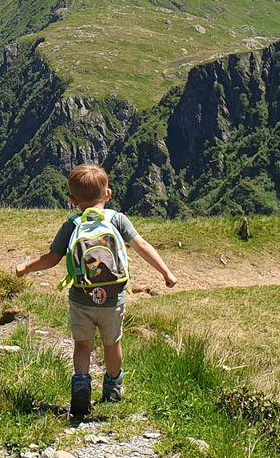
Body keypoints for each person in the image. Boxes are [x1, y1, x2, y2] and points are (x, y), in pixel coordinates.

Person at [14, 162, 176, 420]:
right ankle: (113, 388)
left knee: (82, 345)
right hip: (113, 299)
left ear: (72, 200)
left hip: (81, 298)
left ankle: (81, 385)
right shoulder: (117, 220)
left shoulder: (72, 225)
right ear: (108, 194)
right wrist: (166, 272)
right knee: (112, 344)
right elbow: (142, 246)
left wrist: (26, 267)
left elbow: (52, 258)